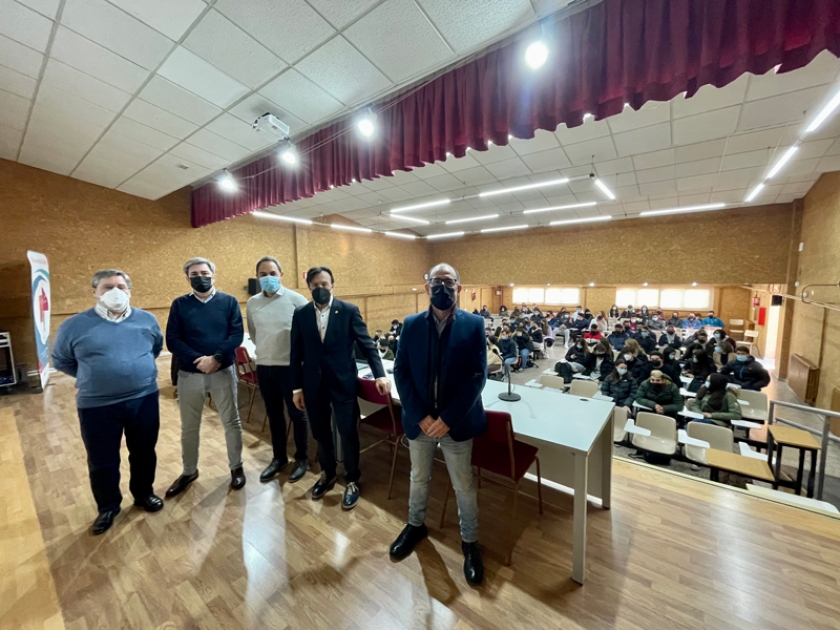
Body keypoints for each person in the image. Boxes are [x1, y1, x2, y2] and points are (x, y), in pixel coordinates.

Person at [391, 263, 486, 585]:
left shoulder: (474, 324)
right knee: (418, 478)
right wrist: (421, 416)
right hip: (420, 422)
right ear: (426, 286)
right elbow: (401, 371)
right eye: (436, 281)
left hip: (455, 423)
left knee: (463, 486)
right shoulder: (411, 324)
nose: (442, 287)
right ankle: (415, 525)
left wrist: (447, 419)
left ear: (459, 287)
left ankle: (470, 542)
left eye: (448, 281)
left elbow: (477, 377)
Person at [52, 269, 164, 535]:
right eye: (107, 287)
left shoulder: (147, 320)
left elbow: (155, 348)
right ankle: (108, 507)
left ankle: (143, 494)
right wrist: (94, 376)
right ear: (95, 292)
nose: (115, 292)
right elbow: (61, 360)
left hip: (144, 399)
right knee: (102, 459)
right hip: (97, 405)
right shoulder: (74, 325)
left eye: (121, 287)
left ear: (129, 290)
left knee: (144, 452)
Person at [289, 266, 389, 509]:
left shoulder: (348, 311)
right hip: (313, 384)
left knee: (347, 432)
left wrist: (380, 374)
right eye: (315, 285)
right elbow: (295, 353)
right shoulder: (301, 313)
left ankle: (352, 479)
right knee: (321, 432)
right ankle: (328, 473)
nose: (320, 288)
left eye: (324, 284)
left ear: (332, 285)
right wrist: (296, 388)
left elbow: (367, 345)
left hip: (343, 383)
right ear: (309, 287)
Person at [166, 257, 245, 497]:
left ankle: (236, 467)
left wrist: (217, 357)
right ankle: (189, 471)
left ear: (213, 275)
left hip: (222, 372)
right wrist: (198, 360)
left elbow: (236, 334)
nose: (200, 277)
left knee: (231, 422)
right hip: (190, 375)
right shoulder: (180, 305)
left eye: (204, 273)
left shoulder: (229, 302)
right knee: (189, 427)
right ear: (187, 278)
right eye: (194, 274)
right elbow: (173, 340)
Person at [246, 256, 311, 484]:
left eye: (272, 273)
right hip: (265, 367)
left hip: (291, 369)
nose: (268, 277)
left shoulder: (297, 300)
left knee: (297, 414)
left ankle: (302, 458)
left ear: (281, 275)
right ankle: (279, 458)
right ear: (257, 277)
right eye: (263, 274)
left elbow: (308, 334)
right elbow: (254, 333)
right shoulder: (252, 303)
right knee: (274, 415)